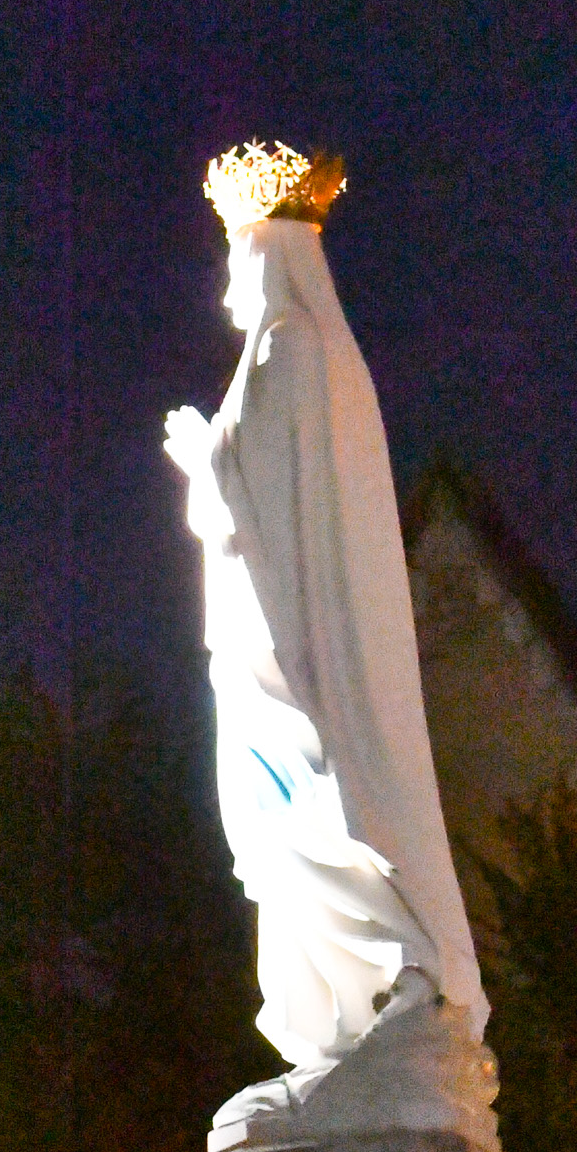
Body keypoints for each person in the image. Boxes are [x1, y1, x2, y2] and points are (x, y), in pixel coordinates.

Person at [164, 143, 487, 1082]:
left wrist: (206, 464)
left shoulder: (291, 350)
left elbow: (266, 510)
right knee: (276, 828)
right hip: (264, 637)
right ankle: (339, 1028)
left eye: (238, 258)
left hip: (292, 649)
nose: (228, 283)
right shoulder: (287, 355)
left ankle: (407, 977)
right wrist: (214, 469)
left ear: (270, 256)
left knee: (307, 812)